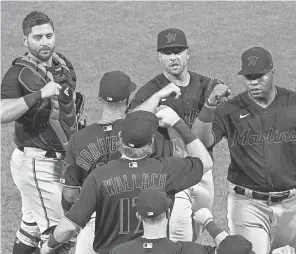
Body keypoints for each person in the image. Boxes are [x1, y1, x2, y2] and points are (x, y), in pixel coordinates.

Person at [37, 106, 213, 254]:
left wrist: (47, 246)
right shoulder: (165, 169)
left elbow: (68, 227)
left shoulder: (99, 176)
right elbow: (205, 162)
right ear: (151, 142)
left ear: (120, 140)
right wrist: (178, 124)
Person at [61, 70, 187, 254]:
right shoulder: (143, 134)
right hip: (138, 222)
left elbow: (70, 195)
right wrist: (172, 122)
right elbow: (181, 154)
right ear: (128, 100)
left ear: (100, 98)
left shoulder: (78, 139)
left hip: (93, 221)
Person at [127, 27, 229, 242]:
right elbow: (128, 123)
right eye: (167, 52)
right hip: (171, 174)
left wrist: (216, 99)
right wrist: (157, 97)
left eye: (178, 51)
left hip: (203, 171)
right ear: (159, 57)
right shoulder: (152, 89)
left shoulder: (205, 86)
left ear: (188, 53)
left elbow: (209, 135)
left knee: (196, 234)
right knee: (174, 238)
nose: (173, 57)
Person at [191, 47, 296, 254]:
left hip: (292, 203)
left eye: (260, 76)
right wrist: (210, 105)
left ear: (272, 73)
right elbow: (201, 142)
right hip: (248, 205)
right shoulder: (230, 108)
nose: (254, 82)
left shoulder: (292, 103)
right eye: (249, 77)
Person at [0, 11, 84, 254]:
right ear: (25, 40)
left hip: (58, 160)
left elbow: (65, 109)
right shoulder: (17, 74)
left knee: (31, 228)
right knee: (61, 236)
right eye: (37, 37)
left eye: (48, 35)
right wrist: (37, 94)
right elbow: (2, 112)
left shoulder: (63, 65)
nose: (44, 41)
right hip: (36, 162)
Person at [110, 187, 252, 254]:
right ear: (169, 213)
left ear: (139, 217)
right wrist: (208, 222)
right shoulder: (189, 250)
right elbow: (236, 249)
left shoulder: (119, 251)